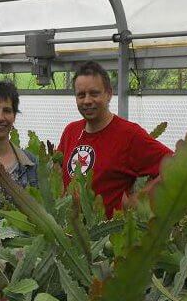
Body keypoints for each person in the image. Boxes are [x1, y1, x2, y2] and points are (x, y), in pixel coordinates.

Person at [57, 61, 172, 218]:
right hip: (70, 233)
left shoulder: (129, 134)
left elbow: (174, 164)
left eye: (94, 93)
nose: (87, 101)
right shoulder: (71, 131)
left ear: (109, 94)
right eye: (81, 95)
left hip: (109, 236)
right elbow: (58, 176)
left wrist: (138, 200)